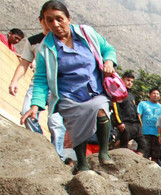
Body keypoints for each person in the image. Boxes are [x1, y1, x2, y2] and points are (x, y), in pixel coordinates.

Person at [21, 0, 117, 172]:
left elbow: (108, 49)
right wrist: (35, 105)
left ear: (68, 18)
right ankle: (81, 162)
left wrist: (109, 61)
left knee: (101, 109)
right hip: (68, 95)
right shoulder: (45, 48)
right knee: (75, 124)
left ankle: (104, 153)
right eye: (49, 20)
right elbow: (41, 79)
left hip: (93, 90)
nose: (55, 24)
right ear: (44, 22)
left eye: (59, 19)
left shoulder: (86, 33)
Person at [8, 14, 66, 159]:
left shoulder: (62, 39)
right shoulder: (33, 41)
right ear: (41, 21)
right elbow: (24, 63)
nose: (50, 23)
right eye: (47, 20)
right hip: (38, 85)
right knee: (26, 114)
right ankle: (43, 147)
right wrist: (14, 81)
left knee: (56, 123)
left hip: (58, 88)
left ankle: (57, 156)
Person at [111, 71, 145, 154]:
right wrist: (119, 122)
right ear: (122, 80)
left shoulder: (132, 95)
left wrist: (140, 123)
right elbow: (116, 108)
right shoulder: (118, 93)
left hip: (136, 124)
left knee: (143, 144)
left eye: (132, 81)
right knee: (124, 146)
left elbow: (134, 109)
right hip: (125, 123)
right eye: (128, 80)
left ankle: (138, 162)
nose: (130, 83)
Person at [137, 88, 161, 162]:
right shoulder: (143, 104)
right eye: (154, 93)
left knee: (155, 155)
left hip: (156, 134)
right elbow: (138, 116)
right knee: (144, 153)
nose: (156, 95)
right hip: (145, 132)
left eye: (157, 94)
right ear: (149, 95)